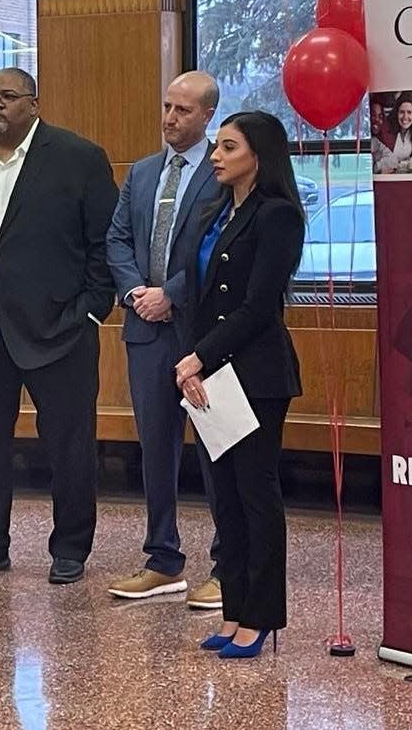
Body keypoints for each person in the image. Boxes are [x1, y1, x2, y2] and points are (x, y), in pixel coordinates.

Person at [0, 67, 117, 585]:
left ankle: (70, 547)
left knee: (69, 442)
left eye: (8, 96)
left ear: (33, 104)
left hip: (59, 326)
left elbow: (103, 242)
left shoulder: (78, 158)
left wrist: (90, 309)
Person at [174, 110, 304, 659]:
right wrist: (196, 362)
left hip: (255, 374)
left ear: (258, 154)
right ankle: (233, 611)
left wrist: (198, 356)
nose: (216, 157)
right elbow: (202, 294)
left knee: (255, 495)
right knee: (223, 498)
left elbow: (255, 308)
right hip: (209, 375)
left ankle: (261, 617)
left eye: (228, 147)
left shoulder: (277, 217)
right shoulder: (214, 212)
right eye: (217, 147)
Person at [105, 71, 224, 607]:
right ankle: (163, 559)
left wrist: (171, 293)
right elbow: (118, 237)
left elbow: (221, 246)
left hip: (202, 332)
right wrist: (135, 293)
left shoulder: (222, 175)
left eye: (182, 110)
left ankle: (229, 562)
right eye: (167, 107)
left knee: (217, 447)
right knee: (156, 446)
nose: (170, 118)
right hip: (145, 329)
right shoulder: (144, 172)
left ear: (206, 117)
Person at [376, 92, 412, 174]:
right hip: (386, 177)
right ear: (396, 113)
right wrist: (378, 171)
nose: (405, 117)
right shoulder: (385, 130)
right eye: (402, 112)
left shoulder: (410, 132)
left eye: (409, 112)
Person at [370, 100, 395, 174]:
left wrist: (376, 167)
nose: (377, 119)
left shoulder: (375, 141)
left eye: (380, 117)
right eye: (373, 115)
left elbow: (393, 160)